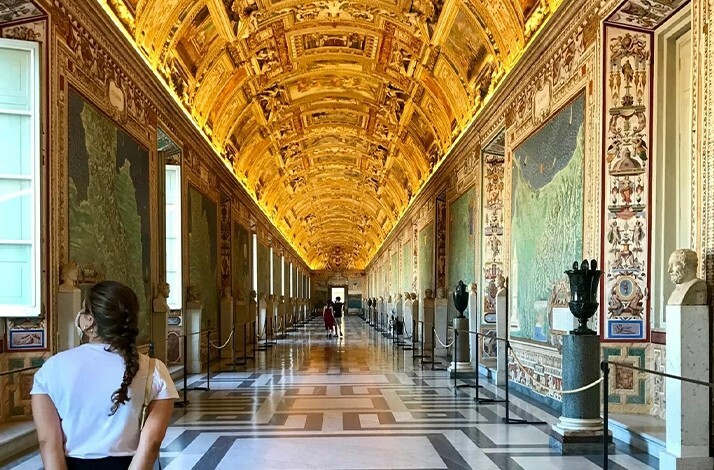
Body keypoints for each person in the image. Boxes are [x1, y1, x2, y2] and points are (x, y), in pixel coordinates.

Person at [31, 280, 179, 470]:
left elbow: (48, 443)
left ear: (90, 320)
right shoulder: (154, 369)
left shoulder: (51, 369)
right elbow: (151, 443)